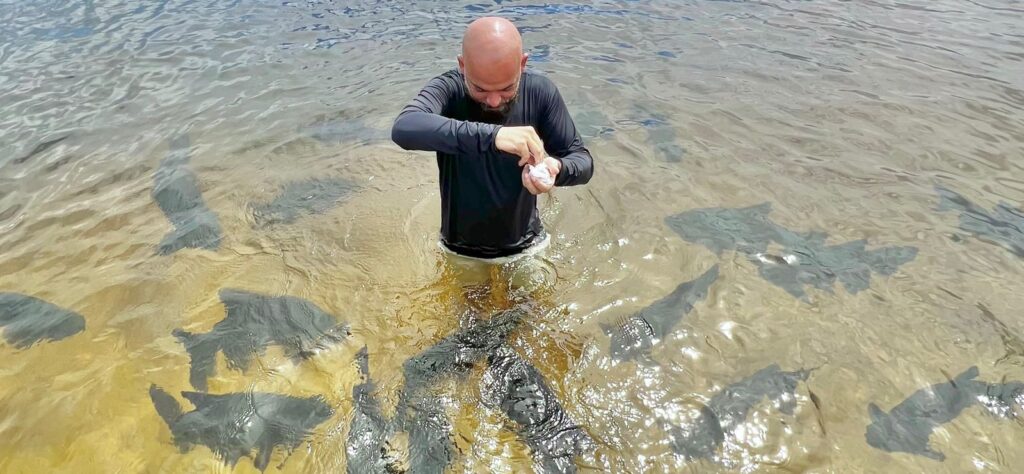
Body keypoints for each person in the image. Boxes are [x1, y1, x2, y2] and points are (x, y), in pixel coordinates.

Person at [391, 16, 595, 299]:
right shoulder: (449, 90)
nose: (494, 100)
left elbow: (583, 161)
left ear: (522, 65)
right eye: (480, 89)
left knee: (531, 323)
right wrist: (494, 136)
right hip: (461, 249)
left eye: (507, 89)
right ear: (462, 66)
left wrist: (556, 168)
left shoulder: (540, 92)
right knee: (471, 331)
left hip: (526, 245)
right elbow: (404, 128)